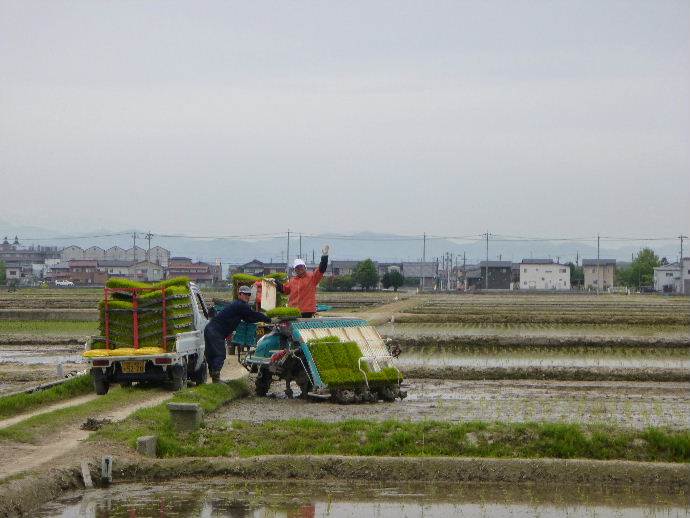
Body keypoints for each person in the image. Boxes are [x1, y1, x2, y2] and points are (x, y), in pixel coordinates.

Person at [204, 285, 271, 383]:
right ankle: (216, 379)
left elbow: (248, 319)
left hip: (210, 329)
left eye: (249, 295)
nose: (247, 297)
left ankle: (214, 378)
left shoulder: (237, 306)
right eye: (245, 294)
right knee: (219, 354)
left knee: (211, 354)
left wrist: (263, 321)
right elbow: (253, 315)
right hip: (215, 331)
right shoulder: (240, 305)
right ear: (239, 294)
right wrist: (268, 319)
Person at [276, 245, 329, 317]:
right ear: (295, 270)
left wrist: (324, 257)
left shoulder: (312, 277)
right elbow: (285, 290)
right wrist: (275, 282)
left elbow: (321, 269)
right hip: (293, 311)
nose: (299, 269)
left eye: (301, 266)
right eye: (297, 268)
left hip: (307, 311)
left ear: (305, 267)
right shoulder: (292, 280)